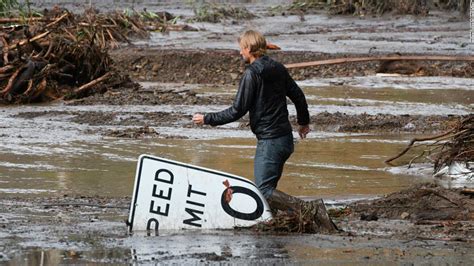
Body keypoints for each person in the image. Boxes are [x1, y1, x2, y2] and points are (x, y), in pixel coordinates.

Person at [192, 31, 337, 232]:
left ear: (249, 49)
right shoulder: (278, 68)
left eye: (241, 48)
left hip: (270, 142)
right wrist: (303, 123)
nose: (240, 52)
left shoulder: (252, 74)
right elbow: (298, 96)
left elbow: (237, 110)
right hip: (285, 140)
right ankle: (275, 225)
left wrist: (207, 118)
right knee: (270, 191)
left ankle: (310, 210)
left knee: (263, 191)